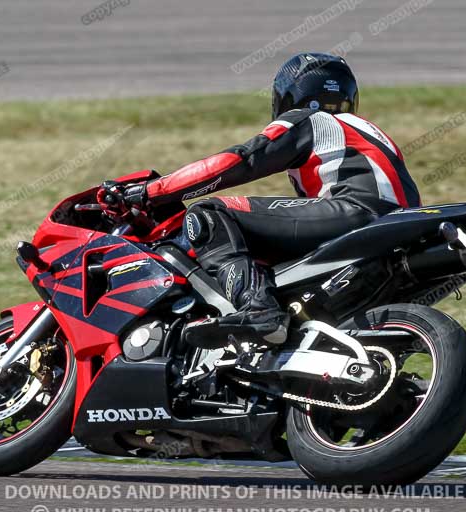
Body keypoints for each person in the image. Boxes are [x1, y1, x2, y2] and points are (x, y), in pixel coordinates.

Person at [99, 52, 421, 348]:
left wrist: (149, 191)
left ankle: (259, 311)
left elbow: (240, 161)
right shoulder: (366, 132)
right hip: (398, 224)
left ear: (291, 96)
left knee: (210, 215)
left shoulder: (311, 120)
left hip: (356, 212)